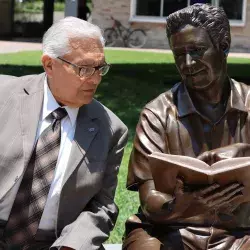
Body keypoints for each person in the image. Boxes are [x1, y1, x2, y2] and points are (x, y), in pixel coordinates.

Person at [123, 4, 250, 250]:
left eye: (197, 50)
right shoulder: (157, 114)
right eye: (179, 54)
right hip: (171, 229)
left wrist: (242, 153)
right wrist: (186, 203)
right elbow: (149, 200)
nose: (188, 63)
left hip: (242, 231)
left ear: (223, 46)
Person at [0, 17, 128, 250]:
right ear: (49, 65)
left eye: (100, 68)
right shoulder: (4, 96)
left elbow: (102, 206)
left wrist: (71, 246)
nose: (95, 79)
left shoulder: (111, 129)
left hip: (56, 243)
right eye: (84, 69)